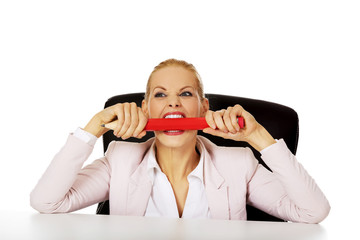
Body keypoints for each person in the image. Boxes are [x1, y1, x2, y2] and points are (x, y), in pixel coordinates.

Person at [30, 59, 330, 223]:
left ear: (203, 108)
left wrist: (256, 137)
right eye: (160, 95)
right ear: (146, 109)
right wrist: (93, 127)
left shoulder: (239, 163)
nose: (173, 105)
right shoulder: (119, 159)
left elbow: (313, 212)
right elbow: (46, 202)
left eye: (185, 94)